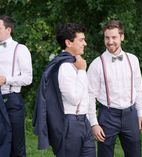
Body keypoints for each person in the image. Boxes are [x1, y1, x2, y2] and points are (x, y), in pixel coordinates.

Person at [33, 23, 96, 157]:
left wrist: (90, 120)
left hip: (84, 121)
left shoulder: (76, 62)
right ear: (68, 42)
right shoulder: (64, 66)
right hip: (70, 124)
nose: (85, 43)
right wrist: (82, 71)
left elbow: (86, 96)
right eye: (81, 40)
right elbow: (74, 99)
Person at [87, 20, 142, 157]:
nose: (110, 41)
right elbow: (89, 96)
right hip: (107, 116)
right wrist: (94, 124)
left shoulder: (133, 60)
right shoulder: (96, 64)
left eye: (114, 37)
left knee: (135, 154)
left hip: (131, 114)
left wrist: (140, 113)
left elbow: (138, 88)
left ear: (122, 37)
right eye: (107, 37)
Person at [0, 15, 33, 157]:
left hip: (12, 100)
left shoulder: (20, 49)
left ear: (8, 29)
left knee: (16, 142)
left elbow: (28, 78)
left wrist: (6, 79)